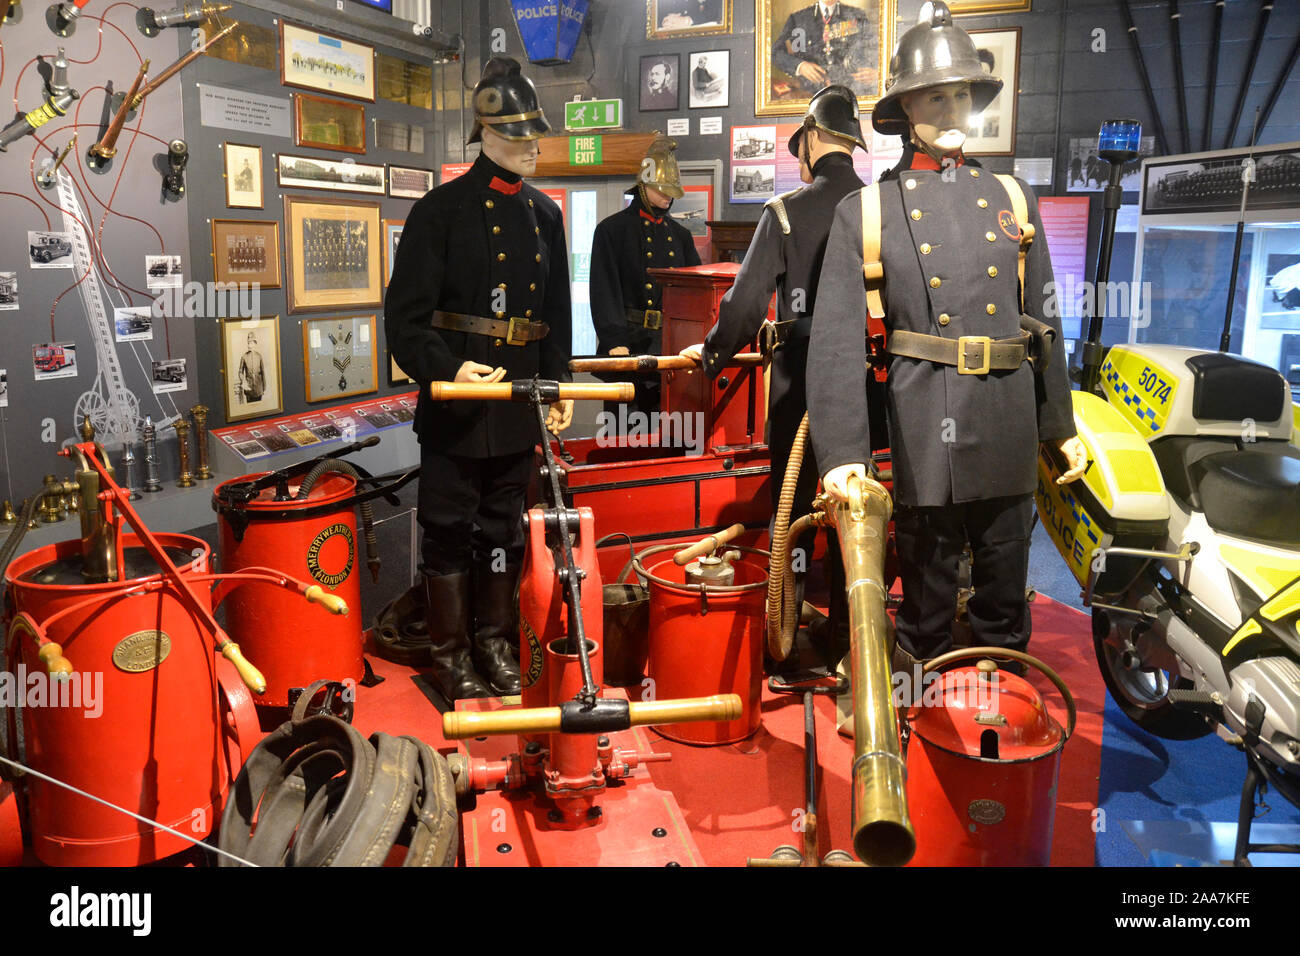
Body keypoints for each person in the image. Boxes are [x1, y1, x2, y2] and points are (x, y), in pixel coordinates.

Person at [806, 2, 1088, 679]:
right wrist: (842, 454)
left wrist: (1058, 423)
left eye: (963, 92)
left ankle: (1003, 712)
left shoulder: (1011, 198)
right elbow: (839, 341)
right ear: (904, 108)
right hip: (927, 416)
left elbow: (1042, 321)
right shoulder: (869, 210)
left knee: (1004, 584)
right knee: (927, 595)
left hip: (1008, 415)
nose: (955, 107)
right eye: (937, 94)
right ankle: (920, 719)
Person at [383, 56, 574, 702]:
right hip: (457, 406)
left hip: (518, 404)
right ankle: (451, 653)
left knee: (504, 530)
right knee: (448, 528)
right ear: (486, 137)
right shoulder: (439, 212)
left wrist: (558, 386)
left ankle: (494, 644)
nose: (533, 149)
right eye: (520, 139)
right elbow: (405, 322)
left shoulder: (546, 216)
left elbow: (555, 316)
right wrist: (449, 368)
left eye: (534, 137)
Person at [680, 84, 875, 667]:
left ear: (812, 141)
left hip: (801, 380)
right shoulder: (880, 211)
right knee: (855, 509)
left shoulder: (785, 212)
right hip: (866, 385)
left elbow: (742, 309)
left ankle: (786, 641)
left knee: (792, 513)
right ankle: (850, 643)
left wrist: (712, 352)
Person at [589, 135, 700, 422]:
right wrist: (614, 339)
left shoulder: (681, 237)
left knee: (671, 430)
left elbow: (694, 295)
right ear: (643, 185)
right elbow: (604, 290)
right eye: (662, 189)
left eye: (672, 191)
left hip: (669, 348)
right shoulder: (611, 231)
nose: (668, 196)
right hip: (628, 345)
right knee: (623, 431)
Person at [772, 2, 878, 97]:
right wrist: (800, 66)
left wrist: (877, 73)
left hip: (849, 93)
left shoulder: (857, 15)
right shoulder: (798, 18)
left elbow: (875, 49)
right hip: (810, 94)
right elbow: (775, 53)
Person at [238, 333, 265, 404]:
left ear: (255, 343)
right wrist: (243, 381)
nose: (250, 344)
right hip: (249, 389)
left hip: (259, 389)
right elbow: (240, 372)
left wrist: (264, 387)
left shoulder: (259, 356)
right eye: (249, 342)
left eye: (252, 342)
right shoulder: (244, 357)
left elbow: (263, 372)